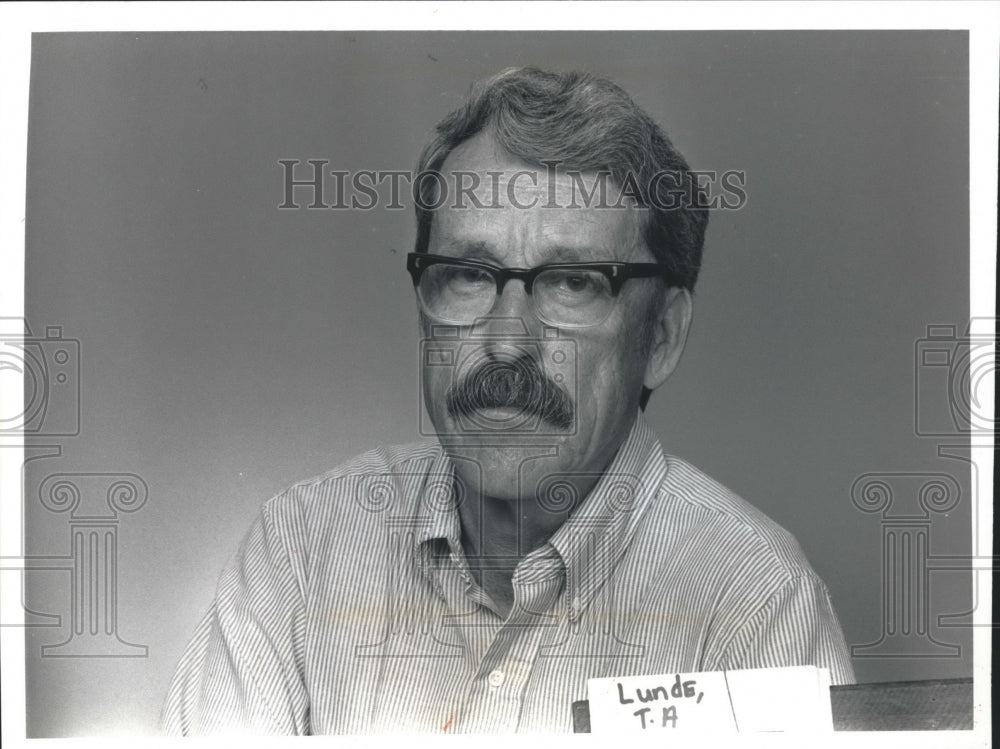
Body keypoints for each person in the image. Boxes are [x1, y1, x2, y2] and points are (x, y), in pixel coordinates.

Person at [162, 67, 854, 735]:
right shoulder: (301, 552)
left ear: (662, 335)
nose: (506, 341)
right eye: (468, 273)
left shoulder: (755, 605)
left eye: (574, 283)